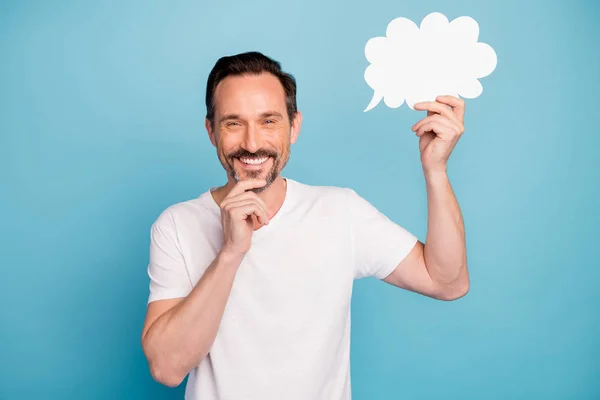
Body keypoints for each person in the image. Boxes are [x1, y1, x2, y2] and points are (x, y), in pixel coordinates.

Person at [141, 51, 470, 400]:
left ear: (294, 126)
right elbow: (166, 368)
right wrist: (231, 252)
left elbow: (446, 282)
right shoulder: (177, 225)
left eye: (269, 121)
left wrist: (436, 170)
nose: (252, 143)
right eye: (234, 123)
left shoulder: (341, 211)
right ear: (211, 130)